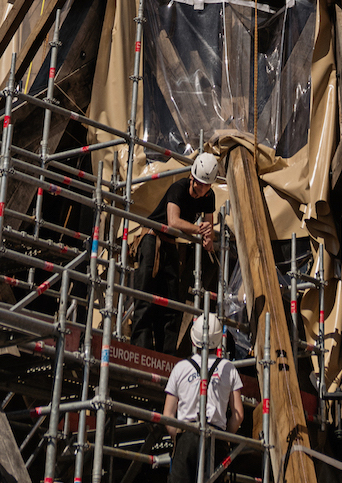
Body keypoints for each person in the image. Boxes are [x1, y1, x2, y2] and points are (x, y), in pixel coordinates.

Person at [132, 150, 221, 350]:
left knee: (171, 303)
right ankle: (140, 349)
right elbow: (173, 221)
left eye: (207, 185)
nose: (203, 188)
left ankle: (166, 354)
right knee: (145, 295)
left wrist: (208, 236)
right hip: (152, 239)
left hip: (171, 244)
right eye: (200, 183)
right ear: (192, 177)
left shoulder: (209, 196)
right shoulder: (178, 188)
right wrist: (200, 230)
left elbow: (208, 229)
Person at [162, 310, 244, 482]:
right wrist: (226, 437)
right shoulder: (229, 368)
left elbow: (168, 415)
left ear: (193, 339)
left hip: (187, 435)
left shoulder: (180, 368)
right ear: (219, 340)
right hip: (216, 438)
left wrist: (178, 437)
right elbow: (238, 415)